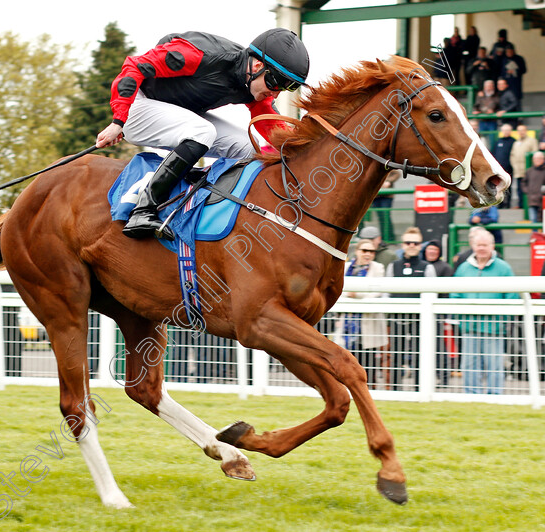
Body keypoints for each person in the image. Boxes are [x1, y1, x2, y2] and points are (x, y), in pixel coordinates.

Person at [96, 29, 310, 240]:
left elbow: (273, 126)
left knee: (247, 146)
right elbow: (134, 66)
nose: (275, 93)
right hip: (138, 106)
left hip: (182, 116)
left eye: (286, 87)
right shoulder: (201, 55)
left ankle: (210, 209)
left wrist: (306, 148)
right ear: (257, 66)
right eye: (275, 82)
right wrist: (118, 120)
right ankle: (143, 211)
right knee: (203, 131)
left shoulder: (253, 84)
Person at [450, 228, 518, 395]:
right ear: (473, 246)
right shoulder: (464, 268)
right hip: (469, 326)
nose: (481, 248)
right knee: (469, 364)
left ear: (492, 246)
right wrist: (461, 317)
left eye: (485, 245)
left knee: (494, 363)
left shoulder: (504, 268)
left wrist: (502, 318)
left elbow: (512, 295)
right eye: (478, 244)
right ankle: (471, 395)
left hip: (493, 327)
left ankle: (495, 395)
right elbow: (454, 293)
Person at [385, 227, 436, 391]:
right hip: (396, 318)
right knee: (396, 355)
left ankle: (420, 389)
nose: (412, 245)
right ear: (403, 245)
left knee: (420, 354)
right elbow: (386, 292)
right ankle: (394, 390)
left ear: (421, 245)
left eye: (415, 242)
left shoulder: (427, 267)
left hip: (419, 319)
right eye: (408, 242)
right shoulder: (393, 266)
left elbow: (431, 293)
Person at [334, 238, 388, 387]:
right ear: (357, 251)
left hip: (368, 325)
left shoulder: (378, 268)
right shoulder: (345, 268)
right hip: (346, 323)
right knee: (347, 362)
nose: (368, 254)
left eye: (371, 251)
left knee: (368, 363)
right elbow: (337, 291)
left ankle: (369, 392)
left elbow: (376, 292)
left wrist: (355, 294)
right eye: (364, 250)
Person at [420, 239, 454, 386]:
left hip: (437, 312)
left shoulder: (445, 267)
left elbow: (446, 292)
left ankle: (444, 377)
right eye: (430, 249)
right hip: (421, 312)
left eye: (435, 249)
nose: (432, 252)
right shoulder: (422, 266)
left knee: (439, 346)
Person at [510, 124, 538, 209]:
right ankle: (521, 205)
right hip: (518, 171)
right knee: (519, 189)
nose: (521, 132)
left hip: (528, 171)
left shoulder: (532, 141)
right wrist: (514, 166)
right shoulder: (516, 142)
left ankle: (529, 206)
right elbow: (512, 156)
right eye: (519, 130)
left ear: (526, 131)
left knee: (529, 189)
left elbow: (534, 154)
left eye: (522, 130)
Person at [492, 123, 515, 205]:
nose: (506, 132)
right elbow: (493, 154)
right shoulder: (498, 141)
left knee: (508, 186)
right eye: (504, 130)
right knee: (498, 187)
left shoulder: (513, 141)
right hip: (498, 170)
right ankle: (500, 203)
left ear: (510, 131)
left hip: (509, 169)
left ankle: (508, 203)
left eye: (507, 130)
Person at [524, 151, 545, 223]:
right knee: (533, 219)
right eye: (535, 158)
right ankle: (535, 234)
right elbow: (524, 182)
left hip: (543, 200)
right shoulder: (529, 171)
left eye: (539, 158)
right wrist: (527, 191)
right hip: (532, 200)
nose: (537, 160)